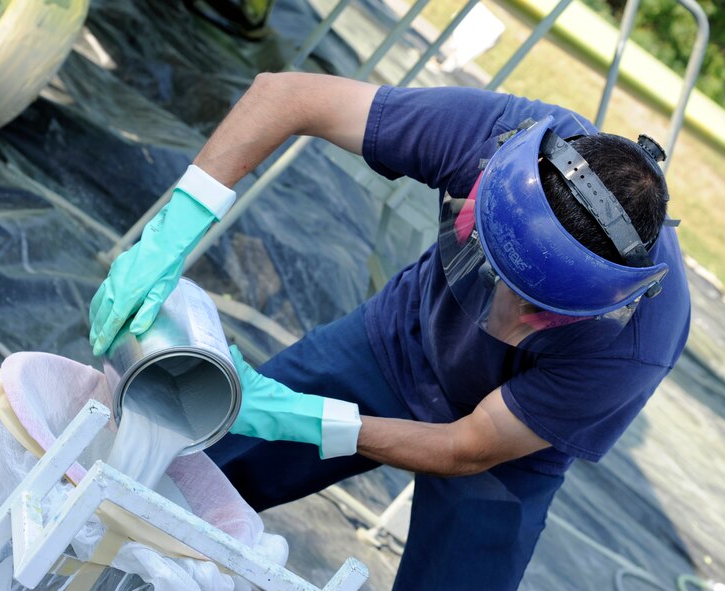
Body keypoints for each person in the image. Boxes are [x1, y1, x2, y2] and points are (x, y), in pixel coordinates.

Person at [89, 72, 690, 590]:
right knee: (183, 471)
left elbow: (468, 447)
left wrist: (300, 417)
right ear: (491, 188)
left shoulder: (635, 345)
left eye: (533, 310)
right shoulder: (496, 136)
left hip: (502, 453)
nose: (499, 317)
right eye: (488, 265)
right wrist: (172, 232)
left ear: (599, 306)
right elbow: (287, 96)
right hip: (398, 341)